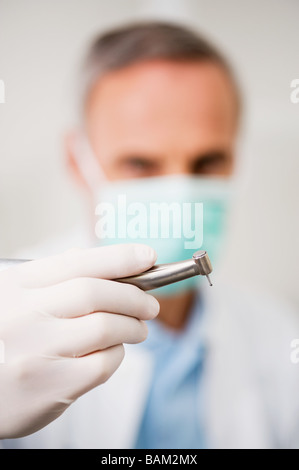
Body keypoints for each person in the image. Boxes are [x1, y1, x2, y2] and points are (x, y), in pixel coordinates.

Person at [2, 21, 299, 449]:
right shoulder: (9, 318)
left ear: (237, 159)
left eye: (207, 161)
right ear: (76, 160)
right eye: (140, 164)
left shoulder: (277, 336)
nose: (180, 196)